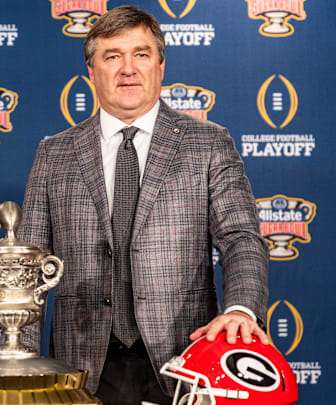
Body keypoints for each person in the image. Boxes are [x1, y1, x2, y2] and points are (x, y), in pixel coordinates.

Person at [17, 6, 268, 405]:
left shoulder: (208, 143)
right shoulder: (54, 153)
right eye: (113, 56)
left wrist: (240, 309)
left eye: (141, 54)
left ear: (161, 66)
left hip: (186, 362)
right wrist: (21, 365)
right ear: (91, 72)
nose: (128, 69)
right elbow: (27, 270)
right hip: (82, 366)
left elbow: (241, 239)